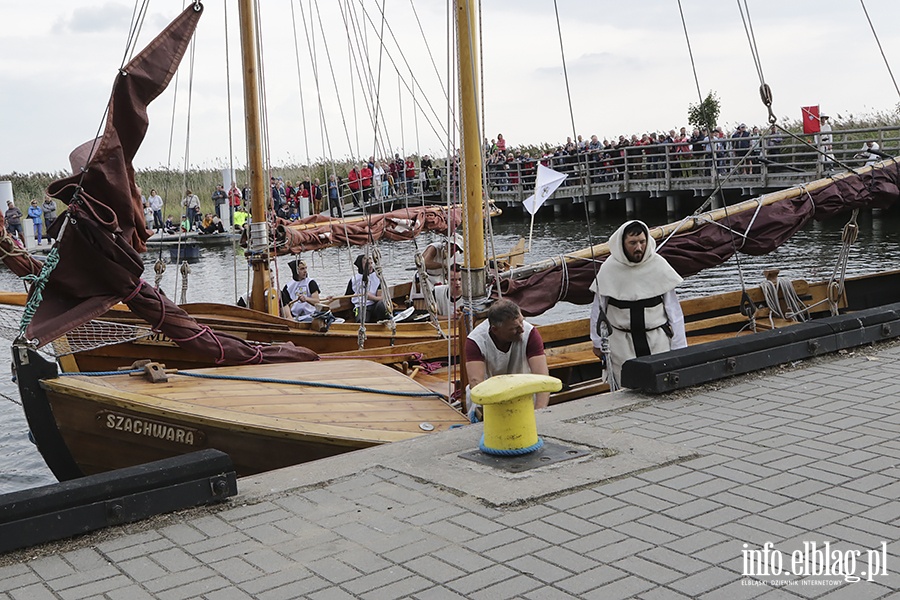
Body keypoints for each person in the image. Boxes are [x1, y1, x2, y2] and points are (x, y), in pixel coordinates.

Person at [589, 220, 686, 390]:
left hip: (656, 340)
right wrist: (597, 342)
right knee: (626, 389)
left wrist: (679, 346)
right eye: (633, 243)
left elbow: (674, 312)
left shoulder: (659, 265)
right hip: (621, 343)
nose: (639, 247)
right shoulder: (609, 269)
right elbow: (598, 310)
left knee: (662, 385)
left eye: (642, 242)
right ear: (622, 244)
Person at [465, 299, 550, 411]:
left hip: (522, 392)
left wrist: (540, 410)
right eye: (514, 328)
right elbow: (476, 382)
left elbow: (542, 377)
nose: (522, 329)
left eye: (522, 321)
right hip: (488, 395)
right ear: (495, 329)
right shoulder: (476, 341)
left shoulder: (530, 334)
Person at [345, 254, 388, 323]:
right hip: (360, 306)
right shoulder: (353, 280)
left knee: (382, 305)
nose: (370, 266)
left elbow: (381, 297)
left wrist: (372, 297)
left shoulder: (377, 277)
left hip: (374, 306)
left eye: (371, 263)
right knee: (361, 321)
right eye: (367, 264)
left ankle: (382, 324)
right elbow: (346, 297)